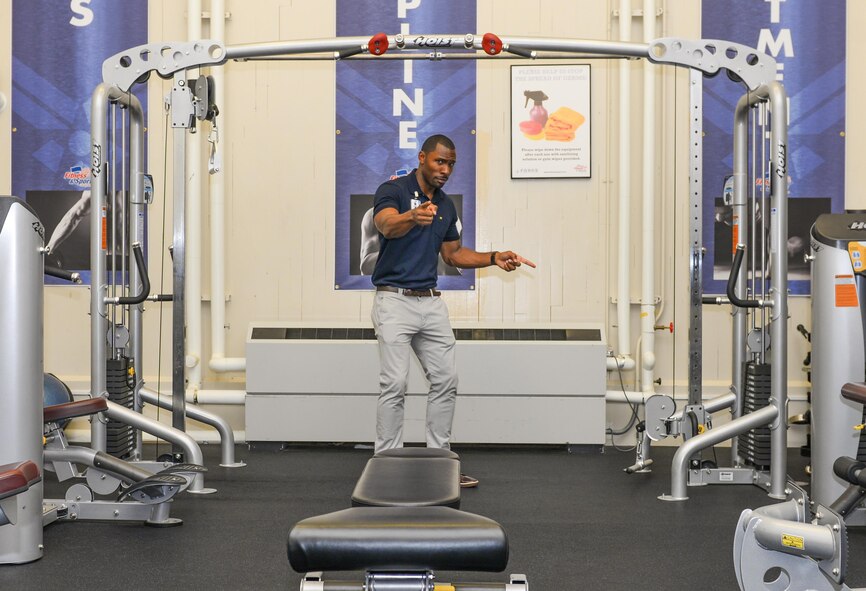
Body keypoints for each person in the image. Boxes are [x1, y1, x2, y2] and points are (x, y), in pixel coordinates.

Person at [370, 134, 536, 488]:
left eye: (451, 164)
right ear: (422, 158)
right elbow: (385, 224)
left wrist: (493, 258)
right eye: (439, 162)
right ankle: (385, 463)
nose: (445, 170)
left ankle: (441, 462)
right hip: (393, 300)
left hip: (430, 302)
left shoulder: (446, 205)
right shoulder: (393, 190)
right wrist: (413, 217)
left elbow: (453, 254)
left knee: (446, 380)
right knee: (395, 383)